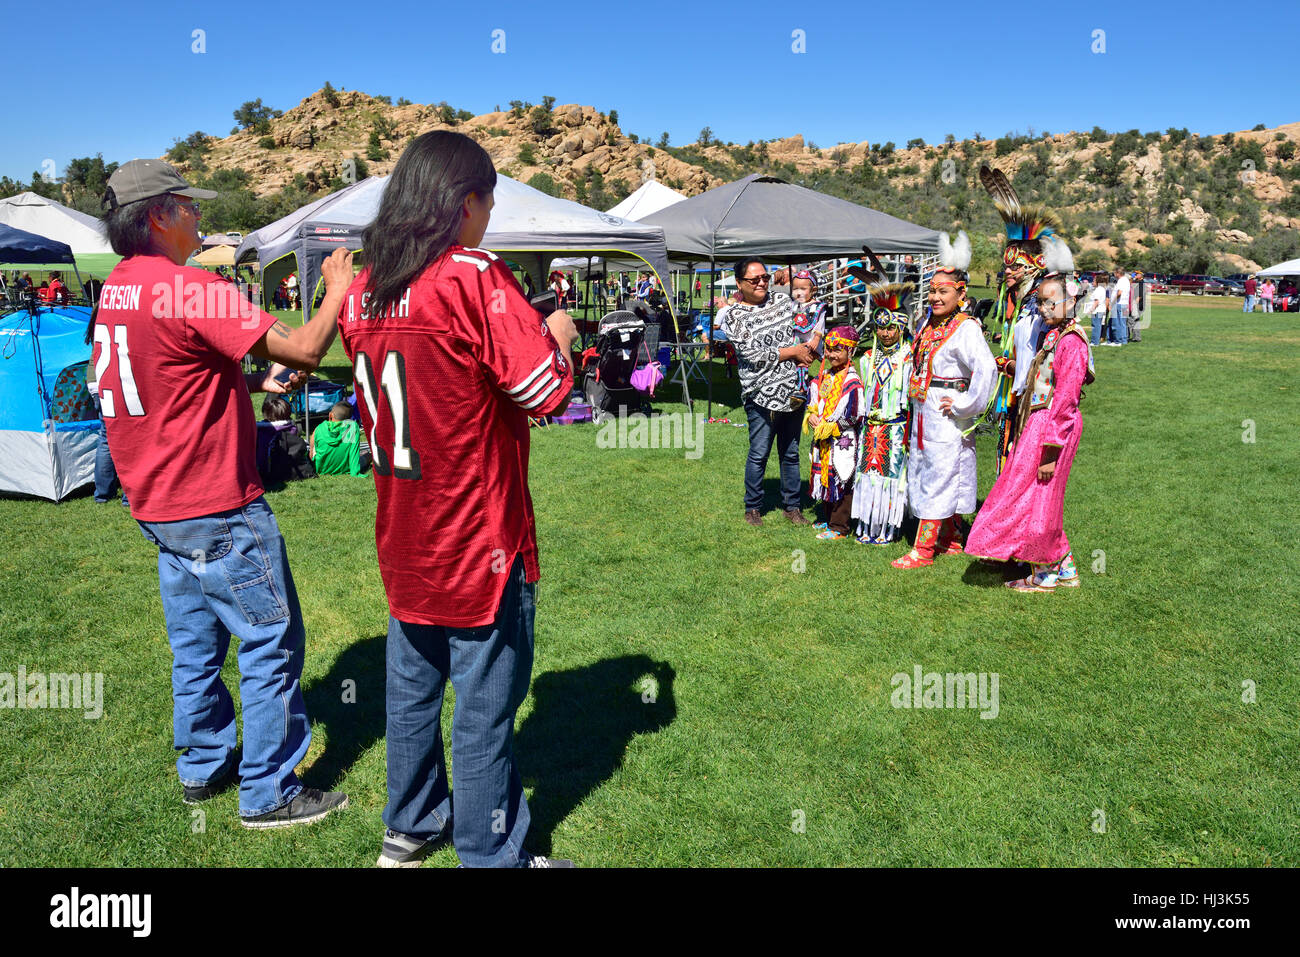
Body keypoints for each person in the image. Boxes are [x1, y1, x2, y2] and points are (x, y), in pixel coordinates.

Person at [338, 130, 578, 868]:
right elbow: (547, 389)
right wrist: (558, 334)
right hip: (477, 531)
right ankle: (489, 851)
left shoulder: (367, 285)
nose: (488, 220)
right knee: (483, 706)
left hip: (404, 526)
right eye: (487, 203)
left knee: (411, 690)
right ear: (463, 201)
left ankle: (409, 824)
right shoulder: (470, 274)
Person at [96, 157, 352, 828]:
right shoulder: (192, 287)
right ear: (158, 216)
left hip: (158, 507)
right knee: (270, 638)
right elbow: (302, 347)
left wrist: (245, 385)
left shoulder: (115, 289)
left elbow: (163, 376)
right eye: (187, 203)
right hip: (216, 504)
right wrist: (337, 288)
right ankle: (269, 791)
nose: (199, 214)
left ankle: (203, 767)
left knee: (196, 645)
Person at [965, 264, 1092, 591]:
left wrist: (1051, 447)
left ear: (1071, 301)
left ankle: (1043, 574)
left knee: (1038, 497)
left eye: (1051, 302)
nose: (1044, 308)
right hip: (1039, 421)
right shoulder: (1053, 334)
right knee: (1036, 495)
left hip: (1053, 427)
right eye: (1040, 302)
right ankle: (1064, 568)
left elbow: (1066, 400)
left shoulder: (1073, 342)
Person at [893, 232, 996, 569]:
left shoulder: (966, 328)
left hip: (945, 411)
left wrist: (965, 405)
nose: (935, 297)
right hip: (924, 410)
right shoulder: (928, 322)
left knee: (940, 471)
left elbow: (986, 368)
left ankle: (923, 549)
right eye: (933, 290)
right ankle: (951, 537)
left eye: (943, 291)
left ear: (961, 294)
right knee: (929, 468)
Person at [979, 164, 1060, 475]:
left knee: (1023, 462)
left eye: (1015, 267)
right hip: (1014, 394)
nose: (1008, 272)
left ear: (1036, 264)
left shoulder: (1043, 303)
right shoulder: (1019, 301)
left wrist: (1017, 370)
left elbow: (1048, 352)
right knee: (1007, 457)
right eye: (1006, 267)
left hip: (1033, 398)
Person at [721, 257, 816, 527]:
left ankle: (792, 507)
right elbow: (753, 355)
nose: (762, 282)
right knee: (759, 452)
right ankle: (753, 508)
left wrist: (808, 347)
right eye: (754, 279)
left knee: (790, 452)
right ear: (739, 283)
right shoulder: (733, 316)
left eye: (765, 277)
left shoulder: (782, 302)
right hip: (760, 394)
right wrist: (793, 352)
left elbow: (802, 329)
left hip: (793, 390)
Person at [853, 283, 913, 545]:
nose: (886, 333)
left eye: (891, 328)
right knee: (867, 476)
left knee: (891, 479)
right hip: (871, 427)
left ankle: (889, 527)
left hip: (896, 428)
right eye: (881, 327)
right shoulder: (867, 358)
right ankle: (866, 524)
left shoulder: (909, 357)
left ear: (901, 327)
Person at [806, 325, 864, 540]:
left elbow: (854, 414)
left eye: (838, 349)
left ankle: (840, 526)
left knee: (841, 478)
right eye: (829, 349)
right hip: (823, 439)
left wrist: (831, 427)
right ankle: (828, 518)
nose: (831, 354)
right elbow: (814, 402)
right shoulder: (824, 377)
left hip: (842, 439)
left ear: (851, 351)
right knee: (824, 477)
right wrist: (810, 414)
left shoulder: (852, 381)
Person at [789, 268, 827, 406]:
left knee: (803, 362)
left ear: (813, 290)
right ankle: (792, 385)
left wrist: (817, 339)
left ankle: (802, 389)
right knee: (792, 363)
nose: (798, 292)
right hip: (795, 339)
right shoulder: (792, 305)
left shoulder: (818, 307)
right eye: (795, 288)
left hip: (810, 340)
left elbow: (820, 325)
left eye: (803, 289)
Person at [310, 401, 365, 476]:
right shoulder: (351, 427)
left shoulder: (319, 428)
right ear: (349, 419)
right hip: (344, 468)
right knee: (367, 455)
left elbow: (311, 453)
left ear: (330, 415)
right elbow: (353, 453)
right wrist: (354, 471)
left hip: (319, 468)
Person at [1087, 278, 1110, 347]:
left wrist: (1091, 309)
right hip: (1101, 309)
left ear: (1098, 282)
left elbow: (1096, 301)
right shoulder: (1102, 289)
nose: (1092, 282)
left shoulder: (1098, 290)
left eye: (1094, 281)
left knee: (1095, 326)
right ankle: (1095, 341)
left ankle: (1095, 342)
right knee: (1098, 325)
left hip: (1097, 310)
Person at [1110, 267, 1130, 345]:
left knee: (1118, 322)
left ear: (1118, 273)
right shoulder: (1126, 280)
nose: (1114, 274)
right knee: (1123, 323)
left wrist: (1113, 301)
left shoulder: (1121, 281)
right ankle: (1124, 340)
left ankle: (1118, 340)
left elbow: (1119, 293)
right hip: (1125, 304)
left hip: (1119, 304)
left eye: (1115, 273)